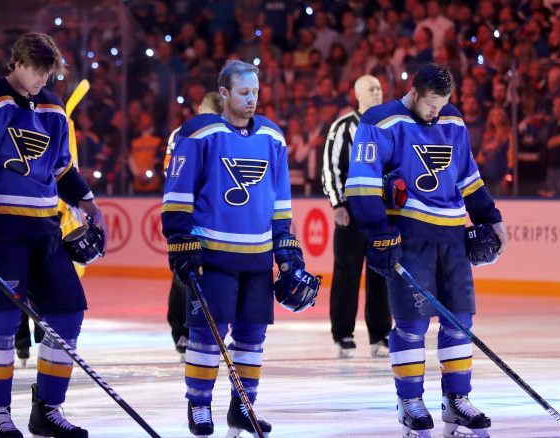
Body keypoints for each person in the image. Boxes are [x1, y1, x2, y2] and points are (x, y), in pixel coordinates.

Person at [0, 32, 104, 438]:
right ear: (18, 63)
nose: (44, 79)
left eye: (49, 73)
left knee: (68, 314)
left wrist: (88, 202)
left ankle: (47, 410)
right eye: (38, 71)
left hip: (44, 230)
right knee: (1, 322)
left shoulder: (53, 107)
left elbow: (61, 168)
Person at [345, 64, 507, 437]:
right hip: (409, 238)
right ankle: (410, 401)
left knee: (460, 321)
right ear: (414, 93)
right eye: (432, 103)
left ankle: (456, 400)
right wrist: (379, 233)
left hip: (452, 237)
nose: (436, 111)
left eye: (443, 103)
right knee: (412, 324)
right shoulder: (380, 122)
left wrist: (490, 217)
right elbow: (361, 183)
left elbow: (468, 177)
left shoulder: (453, 121)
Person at [162, 60, 317, 437]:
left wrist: (286, 248)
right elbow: (178, 193)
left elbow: (280, 200)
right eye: (244, 92)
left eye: (256, 92)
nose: (252, 99)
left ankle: (242, 408)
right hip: (213, 255)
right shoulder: (199, 134)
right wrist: (180, 239)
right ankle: (199, 405)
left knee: (252, 335)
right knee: (206, 334)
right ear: (224, 93)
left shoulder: (273, 137)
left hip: (258, 258)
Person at [321, 75, 393, 359]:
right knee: (346, 274)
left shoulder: (390, 126)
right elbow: (331, 167)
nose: (377, 93)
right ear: (358, 94)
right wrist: (337, 204)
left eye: (379, 88)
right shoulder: (342, 127)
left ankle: (381, 334)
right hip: (351, 212)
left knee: (381, 274)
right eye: (371, 89)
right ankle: (343, 334)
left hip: (382, 213)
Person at [163, 91, 224, 361]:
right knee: (183, 273)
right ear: (201, 111)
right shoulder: (181, 134)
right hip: (188, 214)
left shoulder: (227, 132)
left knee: (215, 272)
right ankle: (181, 330)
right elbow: (171, 172)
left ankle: (208, 327)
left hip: (215, 216)